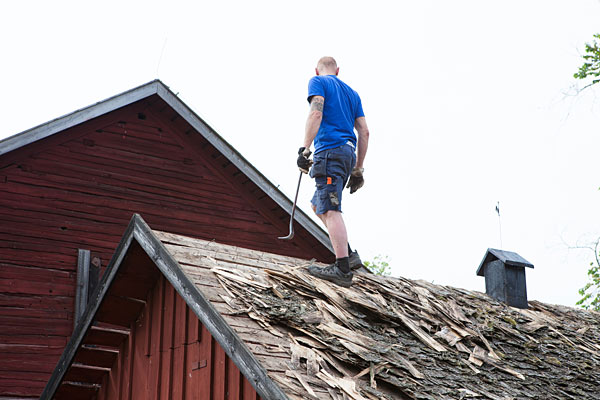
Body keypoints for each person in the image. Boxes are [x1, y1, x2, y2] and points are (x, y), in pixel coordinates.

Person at [297, 56, 370, 287]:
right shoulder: (352, 94)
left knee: (330, 208)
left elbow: (316, 113)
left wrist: (305, 149)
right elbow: (365, 132)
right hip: (348, 153)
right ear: (337, 70)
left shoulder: (318, 82)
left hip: (329, 150)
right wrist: (358, 169)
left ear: (317, 70)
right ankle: (349, 255)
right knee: (318, 204)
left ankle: (342, 269)